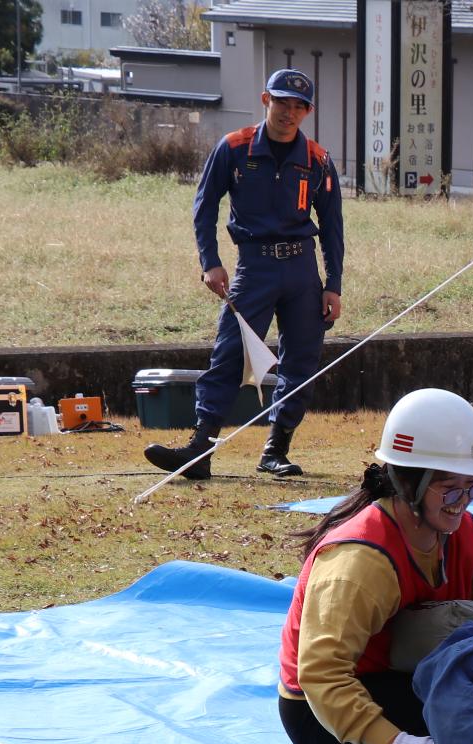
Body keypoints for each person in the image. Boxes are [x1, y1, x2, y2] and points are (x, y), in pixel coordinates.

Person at [278, 388, 473, 744]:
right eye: (451, 489)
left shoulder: (466, 535)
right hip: (325, 714)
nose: (463, 502)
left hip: (408, 682)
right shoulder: (360, 560)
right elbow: (321, 676)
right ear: (410, 482)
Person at [146, 67, 344, 482]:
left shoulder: (318, 160)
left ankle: (277, 449)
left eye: (298, 106)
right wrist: (210, 262)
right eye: (282, 102)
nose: (289, 113)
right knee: (230, 354)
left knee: (302, 361)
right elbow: (204, 206)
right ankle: (200, 449)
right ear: (265, 100)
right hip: (254, 266)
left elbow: (332, 226)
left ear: (307, 112)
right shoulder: (233, 147)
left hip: (302, 269)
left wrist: (333, 286)